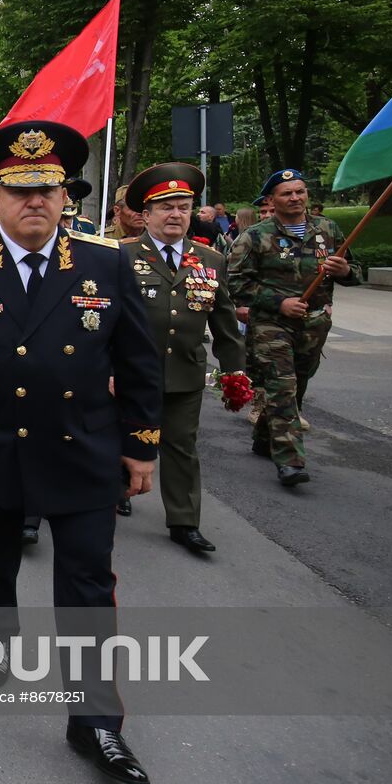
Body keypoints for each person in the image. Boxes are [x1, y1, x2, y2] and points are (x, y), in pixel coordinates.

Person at [0, 119, 161, 784]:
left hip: (84, 450)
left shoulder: (106, 263)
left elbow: (138, 360)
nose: (35, 202)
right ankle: (0, 616)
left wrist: (141, 445)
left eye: (48, 189)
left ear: (65, 197)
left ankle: (95, 721)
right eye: (19, 191)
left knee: (85, 582)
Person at [120, 163, 246, 548]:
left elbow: (224, 321)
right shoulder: (120, 255)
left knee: (181, 446)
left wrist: (235, 373)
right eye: (166, 207)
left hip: (183, 371)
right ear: (146, 215)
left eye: (184, 206)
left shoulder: (210, 260)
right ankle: (113, 493)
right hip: (126, 372)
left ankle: (183, 521)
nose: (176, 214)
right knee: (117, 437)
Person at [228, 168, 359, 486]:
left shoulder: (327, 229)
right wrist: (278, 302)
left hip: (313, 324)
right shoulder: (255, 236)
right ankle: (290, 461)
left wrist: (344, 271)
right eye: (287, 193)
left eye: (300, 191)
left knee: (296, 385)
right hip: (271, 324)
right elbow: (234, 282)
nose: (295, 198)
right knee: (281, 386)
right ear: (272, 200)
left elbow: (355, 271)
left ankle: (264, 436)